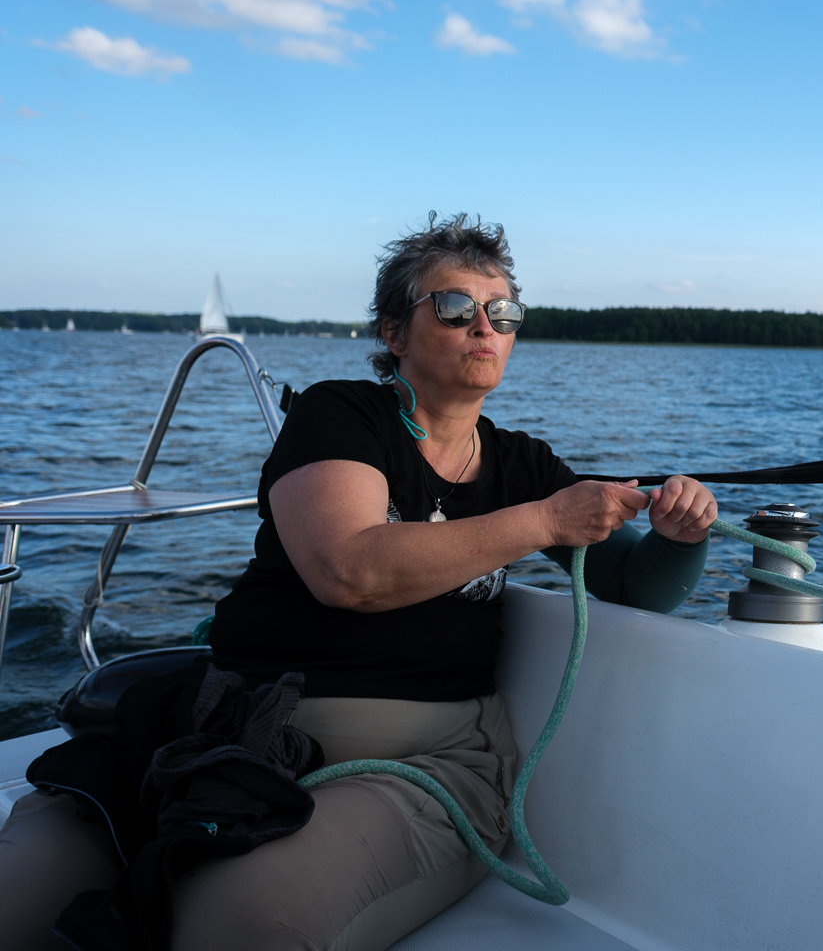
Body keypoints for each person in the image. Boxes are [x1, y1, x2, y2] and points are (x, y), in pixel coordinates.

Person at [0, 213, 718, 950]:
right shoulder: (340, 415)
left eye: (503, 311)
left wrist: (681, 537)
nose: (484, 326)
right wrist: (543, 522)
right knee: (20, 885)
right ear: (394, 332)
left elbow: (636, 585)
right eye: (454, 307)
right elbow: (349, 571)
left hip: (425, 765)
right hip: (230, 729)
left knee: (242, 916)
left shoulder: (525, 467)